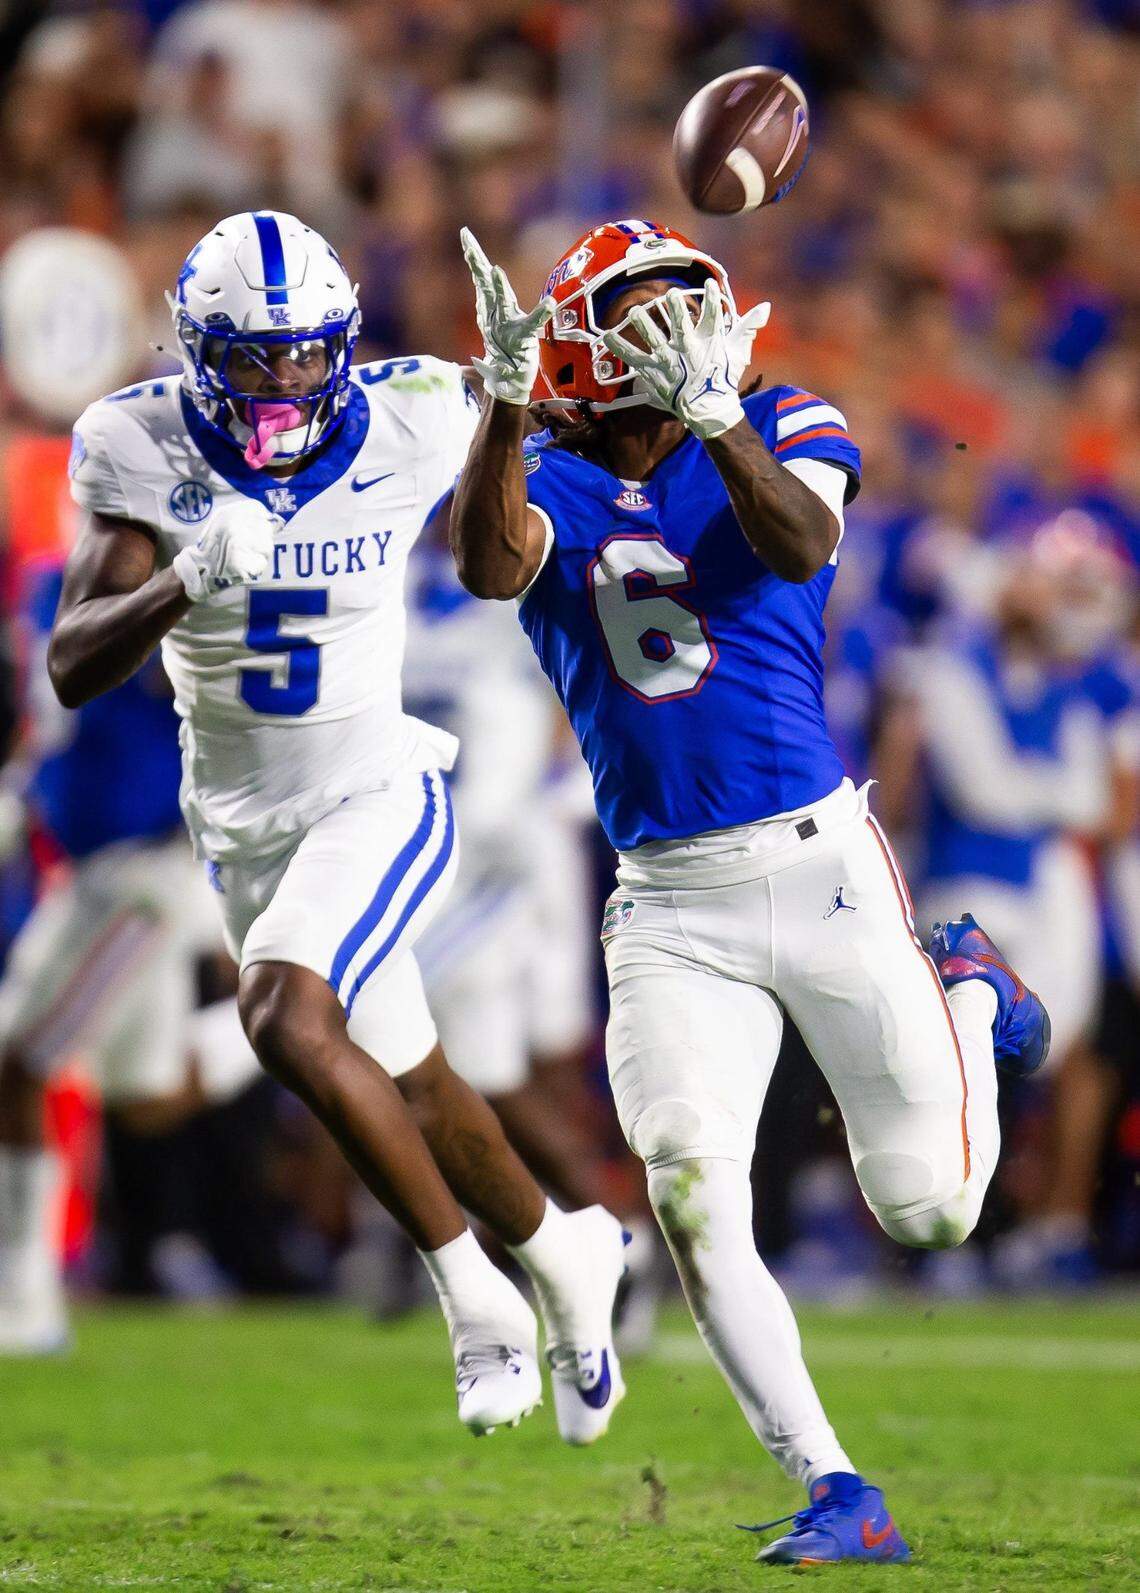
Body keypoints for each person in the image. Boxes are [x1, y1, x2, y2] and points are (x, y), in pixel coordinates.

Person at [449, 218, 1050, 1566]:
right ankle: (838, 1487)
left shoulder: (779, 419)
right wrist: (501, 400)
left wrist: (718, 419)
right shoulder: (539, 467)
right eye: (643, 313)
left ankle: (970, 989)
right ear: (584, 344)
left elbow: (796, 541)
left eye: (687, 305)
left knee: (933, 1211)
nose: (675, 331)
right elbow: (487, 568)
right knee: (690, 1189)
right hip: (666, 900)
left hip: (818, 861)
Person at [44, 210, 627, 1442]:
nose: (284, 379)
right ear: (197, 352)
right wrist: (181, 580)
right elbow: (72, 663)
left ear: (344, 342)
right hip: (240, 823)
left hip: (375, 787)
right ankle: (565, 1249)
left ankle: (477, 1300)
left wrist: (511, 399)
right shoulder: (137, 443)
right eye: (253, 357)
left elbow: (507, 545)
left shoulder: (415, 411)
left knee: (282, 1014)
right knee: (420, 1084)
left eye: (307, 351)